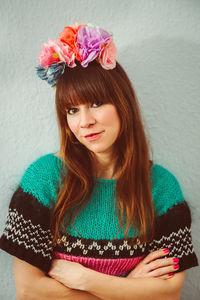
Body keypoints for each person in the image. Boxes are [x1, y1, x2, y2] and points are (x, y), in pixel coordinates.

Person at [0, 23, 198, 300]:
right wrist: (129, 287)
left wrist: (86, 279)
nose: (85, 122)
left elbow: (169, 293)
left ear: (122, 104)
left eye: (96, 103)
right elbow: (29, 291)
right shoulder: (43, 179)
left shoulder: (162, 187)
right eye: (72, 110)